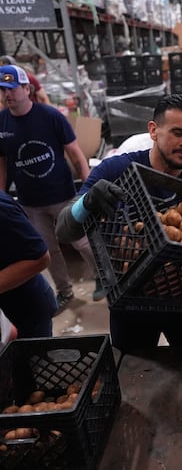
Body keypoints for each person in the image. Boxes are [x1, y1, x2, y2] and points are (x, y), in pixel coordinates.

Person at [56, 94, 182, 351]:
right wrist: (87, 202)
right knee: (132, 374)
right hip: (130, 301)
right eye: (177, 133)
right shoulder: (115, 171)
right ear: (153, 131)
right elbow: (64, 230)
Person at [0, 64, 103, 312]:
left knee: (83, 242)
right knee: (48, 250)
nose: (7, 95)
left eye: (12, 89)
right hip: (29, 202)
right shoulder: (1, 123)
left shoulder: (50, 116)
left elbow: (76, 155)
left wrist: (87, 190)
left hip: (63, 196)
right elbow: (2, 163)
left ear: (27, 89)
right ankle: (64, 291)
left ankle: (103, 277)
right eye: (3, 90)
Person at [0, 189, 57, 339]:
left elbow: (40, 257)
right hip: (8, 306)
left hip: (27, 306)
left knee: (34, 354)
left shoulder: (2, 208)